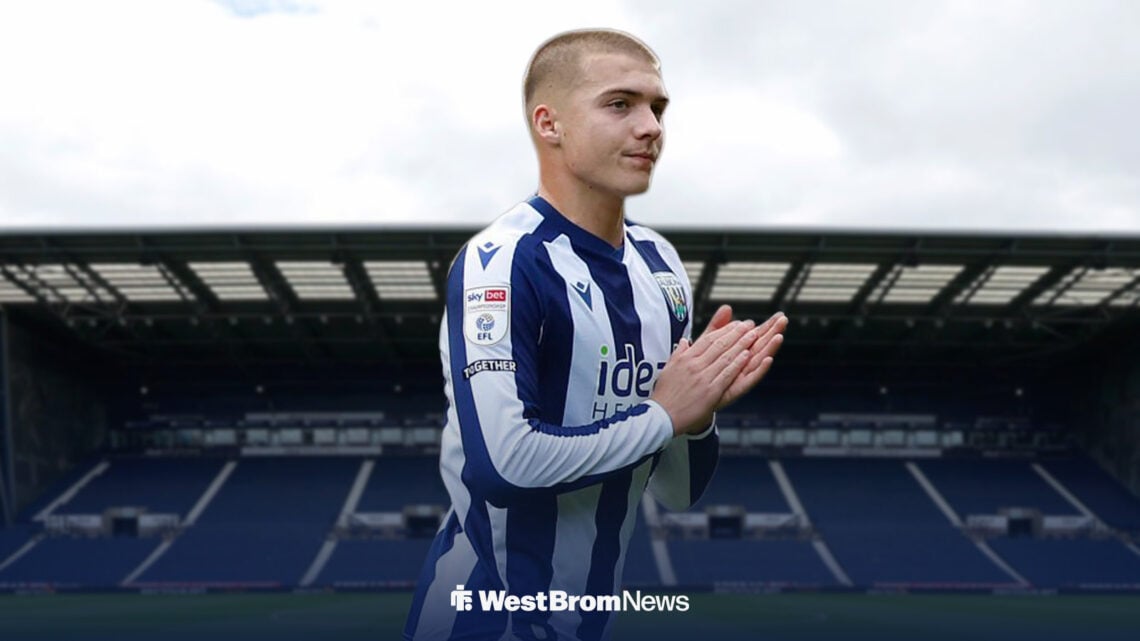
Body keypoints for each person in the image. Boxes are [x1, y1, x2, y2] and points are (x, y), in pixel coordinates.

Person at [404, 28, 788, 641]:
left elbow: (678, 491)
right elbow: (503, 466)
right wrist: (665, 414)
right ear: (549, 124)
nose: (651, 127)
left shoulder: (660, 266)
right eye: (620, 104)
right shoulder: (503, 262)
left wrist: (697, 417)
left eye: (657, 108)